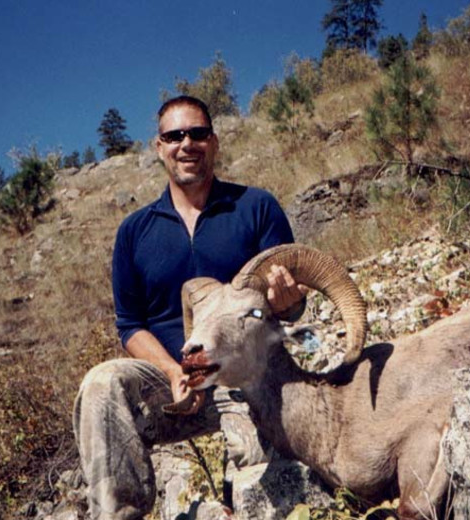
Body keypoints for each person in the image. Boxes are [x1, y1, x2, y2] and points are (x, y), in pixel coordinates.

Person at [73, 95, 306, 519]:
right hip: (174, 383)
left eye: (198, 133)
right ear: (159, 147)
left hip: (244, 376)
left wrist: (286, 303)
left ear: (214, 142)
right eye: (174, 135)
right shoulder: (134, 232)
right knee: (102, 383)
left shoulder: (255, 207)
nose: (187, 144)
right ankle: (118, 513)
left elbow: (285, 304)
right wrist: (171, 370)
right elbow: (130, 325)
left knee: (265, 480)